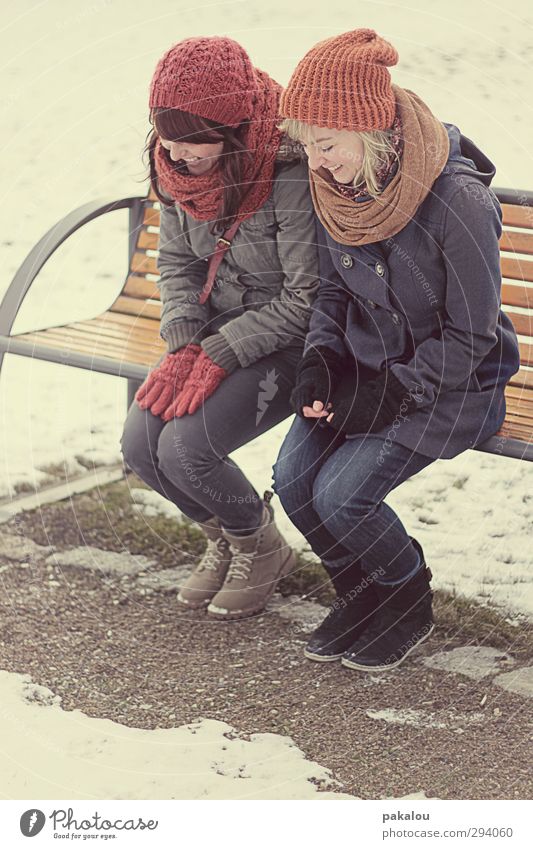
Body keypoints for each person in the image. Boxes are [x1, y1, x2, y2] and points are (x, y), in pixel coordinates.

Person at [272, 29, 521, 672]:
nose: (317, 163)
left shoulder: (457, 201)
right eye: (308, 146)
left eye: (326, 144)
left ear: (369, 130)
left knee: (341, 496)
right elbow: (333, 289)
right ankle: (361, 592)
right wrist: (322, 359)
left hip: (455, 387)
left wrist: (392, 390)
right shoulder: (339, 190)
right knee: (295, 482)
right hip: (362, 374)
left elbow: (472, 335)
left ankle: (406, 596)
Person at [120, 36, 320, 620]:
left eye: (194, 144)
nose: (177, 157)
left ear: (233, 133)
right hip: (208, 341)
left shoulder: (288, 174)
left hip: (285, 344)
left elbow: (306, 298)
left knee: (185, 451)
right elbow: (178, 264)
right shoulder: (176, 173)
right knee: (139, 446)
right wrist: (185, 343)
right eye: (167, 139)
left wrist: (224, 348)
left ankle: (261, 548)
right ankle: (231, 537)